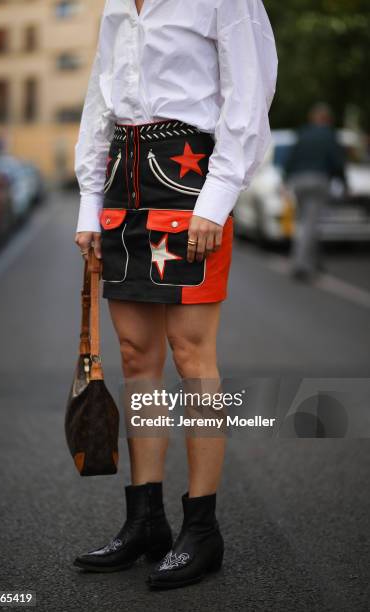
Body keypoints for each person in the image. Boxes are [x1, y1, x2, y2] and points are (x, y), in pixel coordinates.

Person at [73, 0, 277, 589]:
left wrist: (217, 200)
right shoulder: (117, 3)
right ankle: (145, 521)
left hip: (191, 180)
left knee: (193, 358)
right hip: (123, 179)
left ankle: (202, 528)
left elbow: (251, 88)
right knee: (137, 358)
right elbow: (98, 95)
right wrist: (91, 202)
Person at [284, 103, 347, 281]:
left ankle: (314, 261)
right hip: (318, 180)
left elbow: (291, 158)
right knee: (310, 223)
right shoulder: (329, 135)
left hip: (298, 181)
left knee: (303, 222)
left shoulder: (302, 133)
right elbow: (337, 162)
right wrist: (343, 182)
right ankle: (301, 266)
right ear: (326, 119)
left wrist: (286, 179)